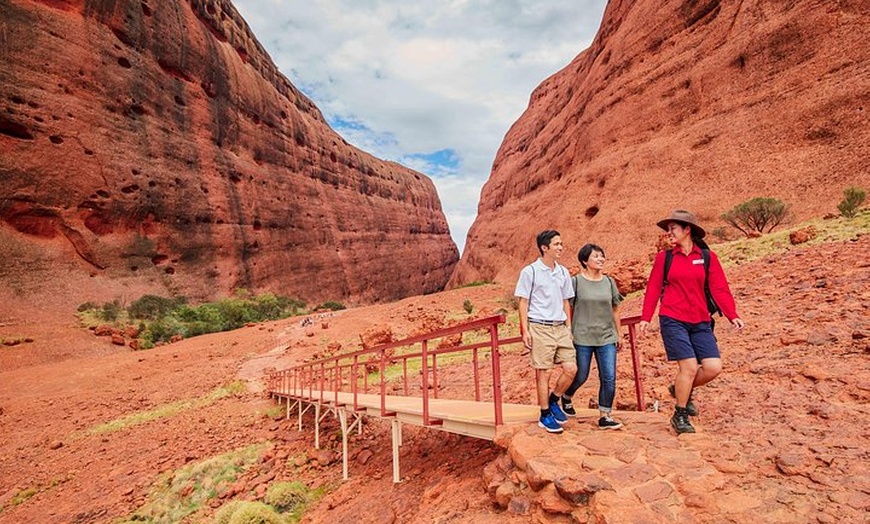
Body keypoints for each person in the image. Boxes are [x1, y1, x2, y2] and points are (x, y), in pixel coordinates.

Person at [638, 210, 745, 434]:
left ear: (687, 230)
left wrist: (732, 314)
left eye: (673, 229)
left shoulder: (707, 257)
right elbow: (654, 289)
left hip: (701, 320)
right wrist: (646, 318)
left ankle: (679, 388)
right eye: (668, 230)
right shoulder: (665, 258)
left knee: (713, 367)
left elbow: (719, 288)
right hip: (673, 318)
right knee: (687, 367)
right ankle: (680, 414)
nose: (669, 233)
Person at [515, 230, 577, 433]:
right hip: (539, 326)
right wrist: (525, 330)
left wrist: (568, 327)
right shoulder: (530, 272)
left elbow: (566, 300)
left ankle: (553, 400)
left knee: (571, 369)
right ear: (544, 248)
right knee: (545, 372)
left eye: (561, 244)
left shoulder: (563, 272)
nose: (560, 247)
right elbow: (523, 302)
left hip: (560, 327)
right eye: (556, 244)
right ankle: (544, 415)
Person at [560, 244, 624, 430]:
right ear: (584, 261)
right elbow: (567, 306)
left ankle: (605, 415)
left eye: (602, 256)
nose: (601, 259)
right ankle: (567, 396)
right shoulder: (576, 282)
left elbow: (615, 309)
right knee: (581, 375)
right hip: (582, 336)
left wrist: (619, 334)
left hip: (607, 336)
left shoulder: (609, 282)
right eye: (596, 256)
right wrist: (568, 329)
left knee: (609, 377)